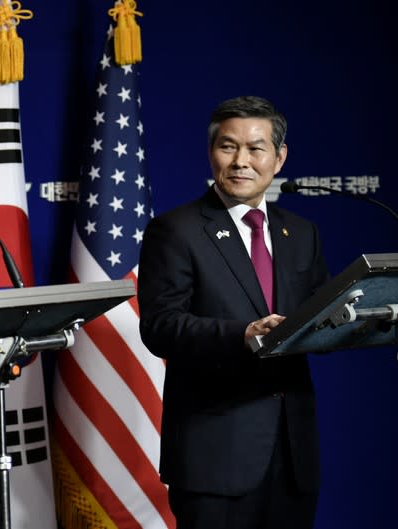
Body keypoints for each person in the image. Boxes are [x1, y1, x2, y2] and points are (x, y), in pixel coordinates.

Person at [138, 95, 329, 529]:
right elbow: (161, 326)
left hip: (293, 453)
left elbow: (322, 314)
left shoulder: (301, 232)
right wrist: (242, 334)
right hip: (215, 455)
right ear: (211, 153)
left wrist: (365, 320)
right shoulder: (175, 230)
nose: (241, 161)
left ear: (278, 158)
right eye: (228, 147)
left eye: (256, 148)